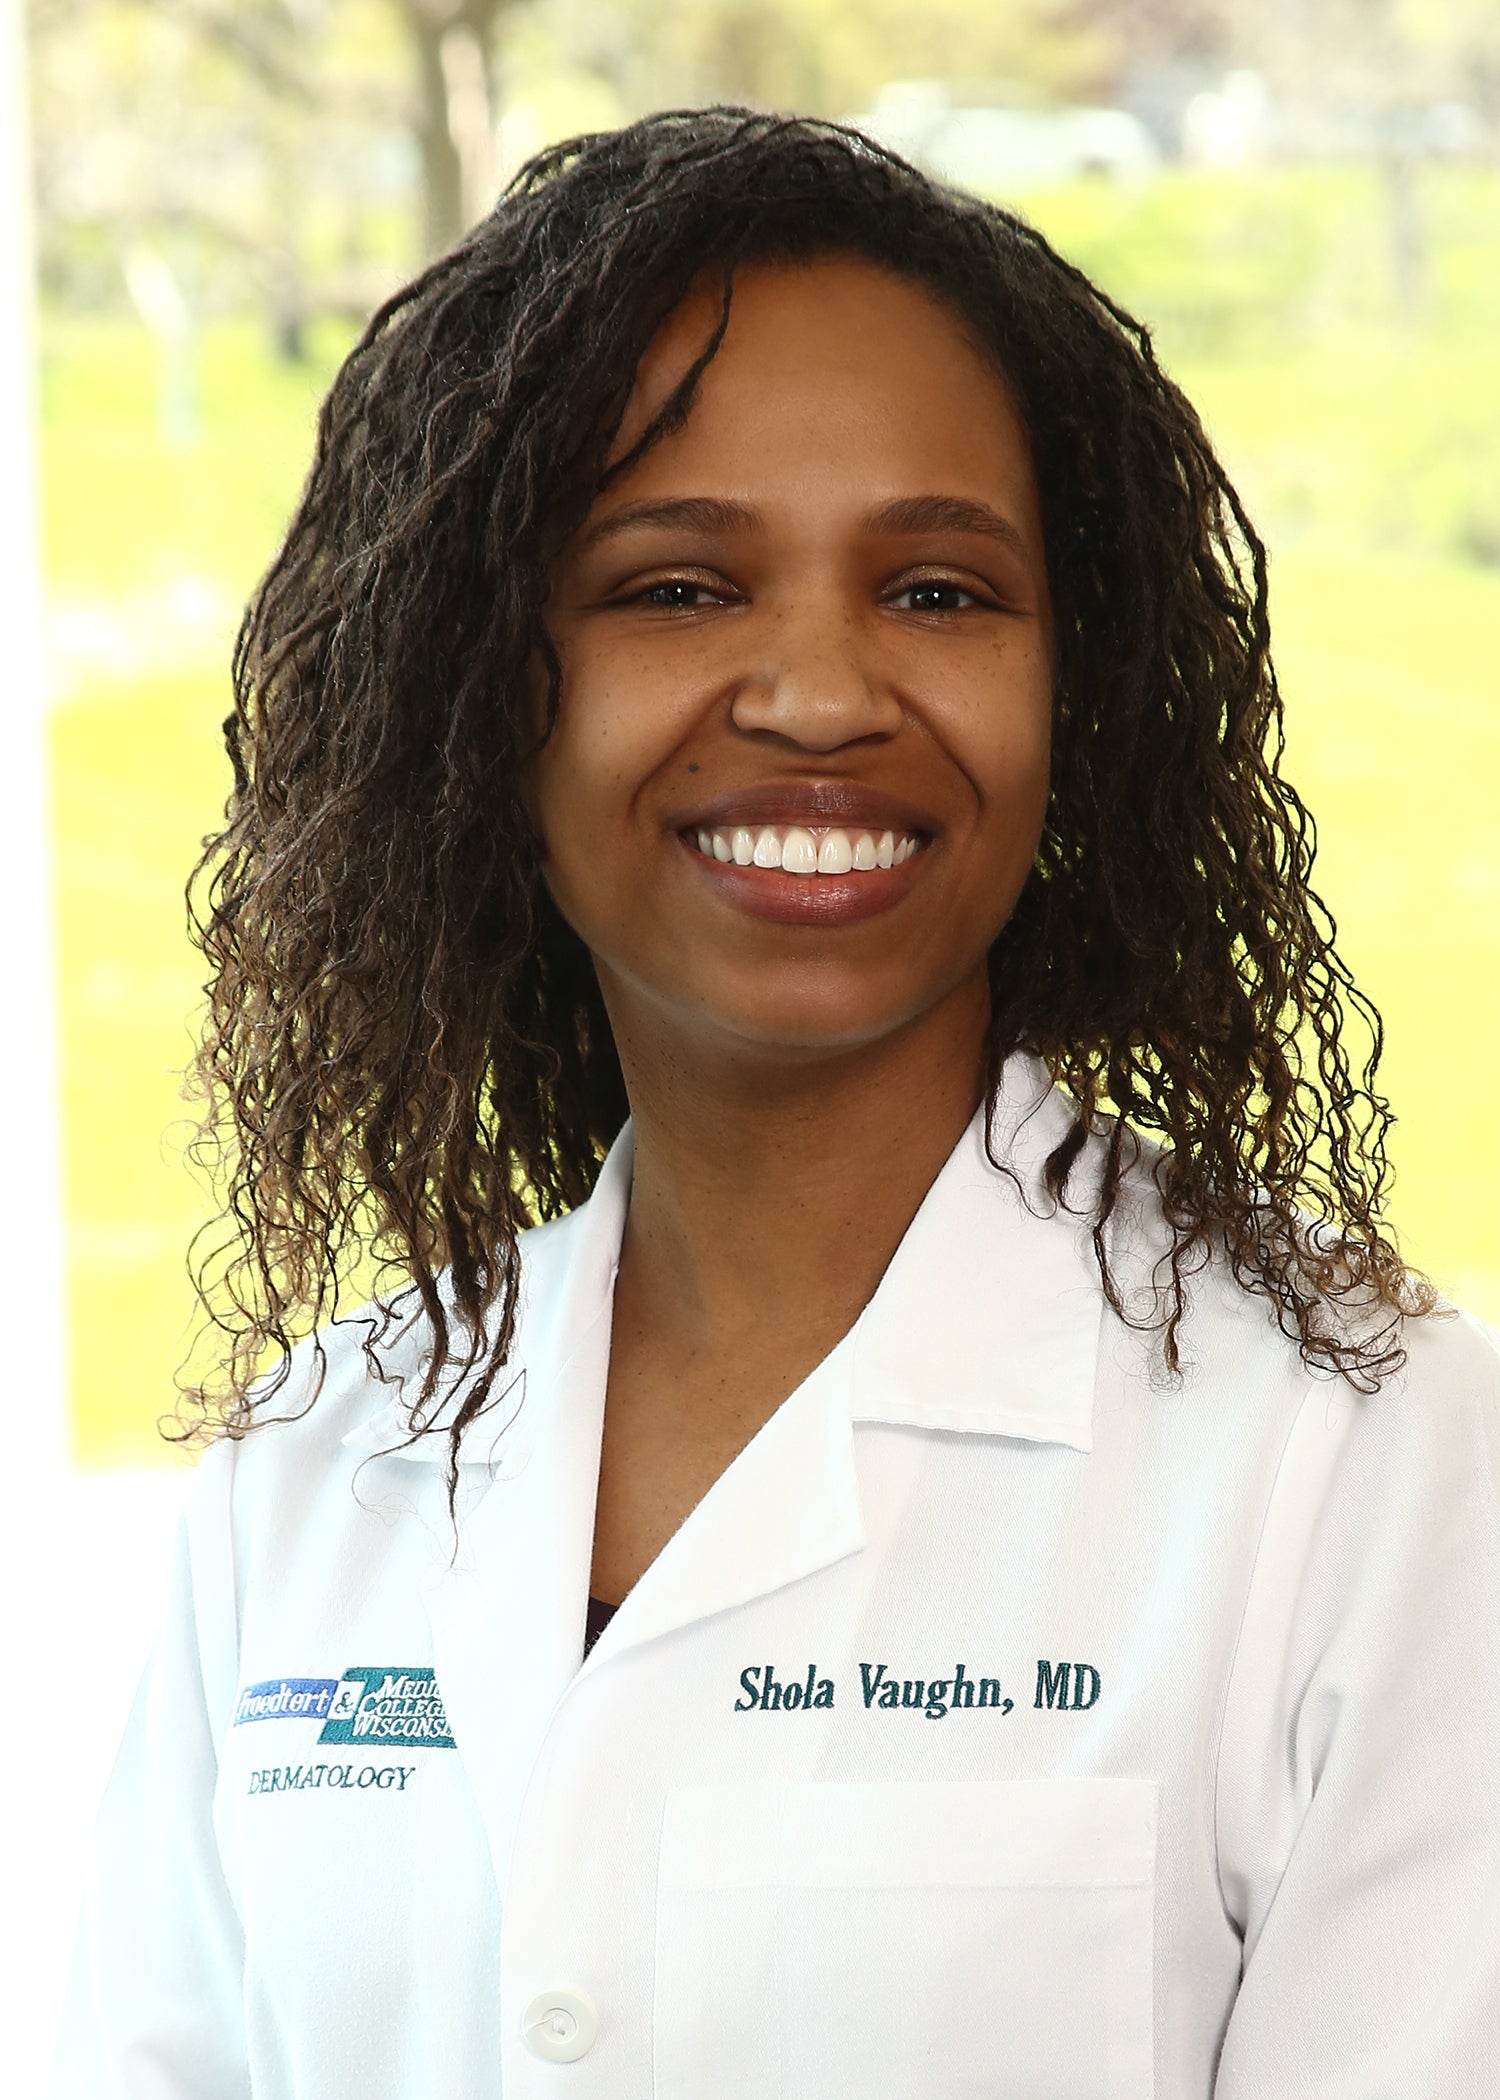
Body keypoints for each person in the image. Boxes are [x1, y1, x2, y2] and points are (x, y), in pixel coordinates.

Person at [53, 107, 1500, 2099]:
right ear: (483, 699)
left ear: (1079, 694)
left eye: (940, 592)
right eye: (675, 589)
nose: (820, 694)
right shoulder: (314, 1466)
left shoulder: (1367, 1460)